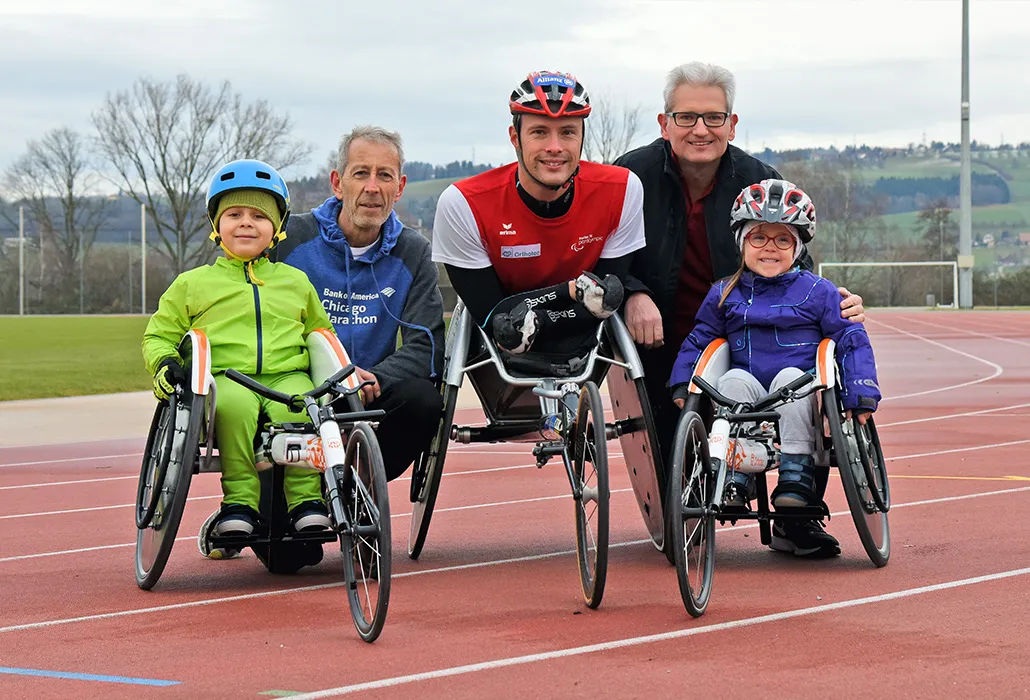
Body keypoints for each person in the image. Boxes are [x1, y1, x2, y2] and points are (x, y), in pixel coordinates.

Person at [613, 61, 865, 556]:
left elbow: (797, 261)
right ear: (665, 124)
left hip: (748, 334)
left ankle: (798, 516)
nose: (700, 129)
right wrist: (632, 290)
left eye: (713, 117)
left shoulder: (758, 178)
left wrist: (836, 300)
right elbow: (603, 254)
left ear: (732, 123)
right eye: (686, 117)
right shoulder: (630, 176)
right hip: (659, 339)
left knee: (803, 379)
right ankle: (698, 497)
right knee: (677, 475)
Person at [668, 179, 881, 557]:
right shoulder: (724, 293)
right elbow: (701, 338)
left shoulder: (820, 292)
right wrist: (684, 383)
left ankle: (795, 477)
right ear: (742, 243)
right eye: (758, 238)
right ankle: (733, 474)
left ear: (798, 247)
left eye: (782, 240)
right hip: (748, 392)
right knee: (732, 379)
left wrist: (861, 390)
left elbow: (850, 339)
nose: (770, 248)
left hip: (802, 391)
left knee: (789, 379)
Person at [143, 159, 336, 544]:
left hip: (288, 374)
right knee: (235, 409)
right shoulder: (193, 284)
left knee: (301, 406)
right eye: (234, 214)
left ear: (277, 228)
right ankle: (240, 504)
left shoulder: (296, 281)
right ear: (217, 225)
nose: (246, 223)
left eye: (259, 216)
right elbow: (159, 335)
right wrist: (165, 365)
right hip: (228, 378)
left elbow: (320, 332)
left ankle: (306, 503)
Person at [432, 70, 643, 361]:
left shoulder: (623, 189)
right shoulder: (462, 203)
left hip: (583, 344)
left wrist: (539, 319)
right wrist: (573, 291)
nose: (554, 147)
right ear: (515, 137)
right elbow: (501, 323)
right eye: (539, 131)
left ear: (582, 137)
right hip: (498, 353)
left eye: (568, 132)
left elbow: (605, 302)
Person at [273, 125, 445, 483]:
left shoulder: (413, 252)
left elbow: (426, 346)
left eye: (385, 176)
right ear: (338, 183)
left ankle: (358, 485)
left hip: (369, 392)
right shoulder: (290, 240)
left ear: (399, 188)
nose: (372, 187)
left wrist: (375, 377)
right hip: (299, 391)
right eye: (361, 173)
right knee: (293, 540)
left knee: (424, 400)